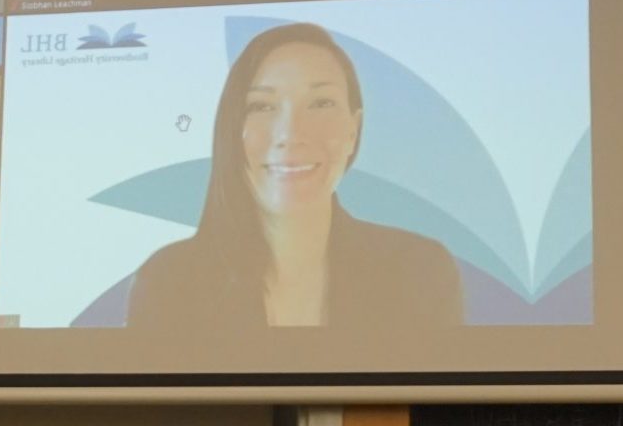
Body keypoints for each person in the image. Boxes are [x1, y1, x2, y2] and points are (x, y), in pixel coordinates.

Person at [124, 22, 463, 334]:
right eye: (262, 106)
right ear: (232, 129)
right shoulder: (169, 281)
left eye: (320, 103)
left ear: (353, 130)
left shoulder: (419, 271)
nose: (290, 132)